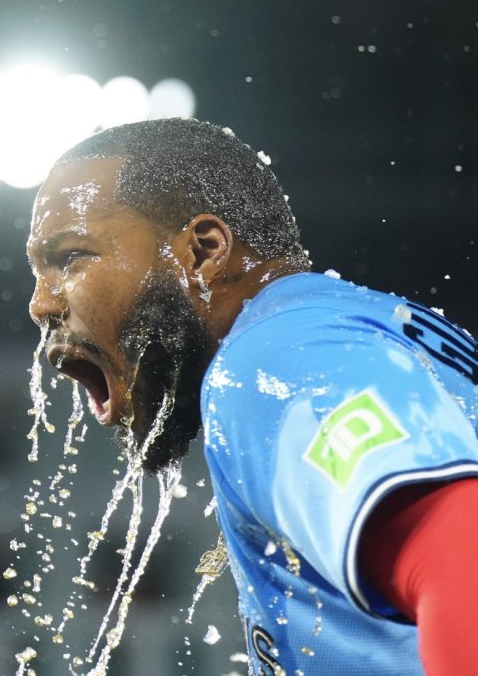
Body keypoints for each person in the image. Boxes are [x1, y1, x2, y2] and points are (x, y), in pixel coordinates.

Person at [25, 118, 478, 675]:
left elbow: (462, 558)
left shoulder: (275, 359)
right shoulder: (361, 326)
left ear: (203, 251)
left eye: (70, 257)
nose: (41, 305)